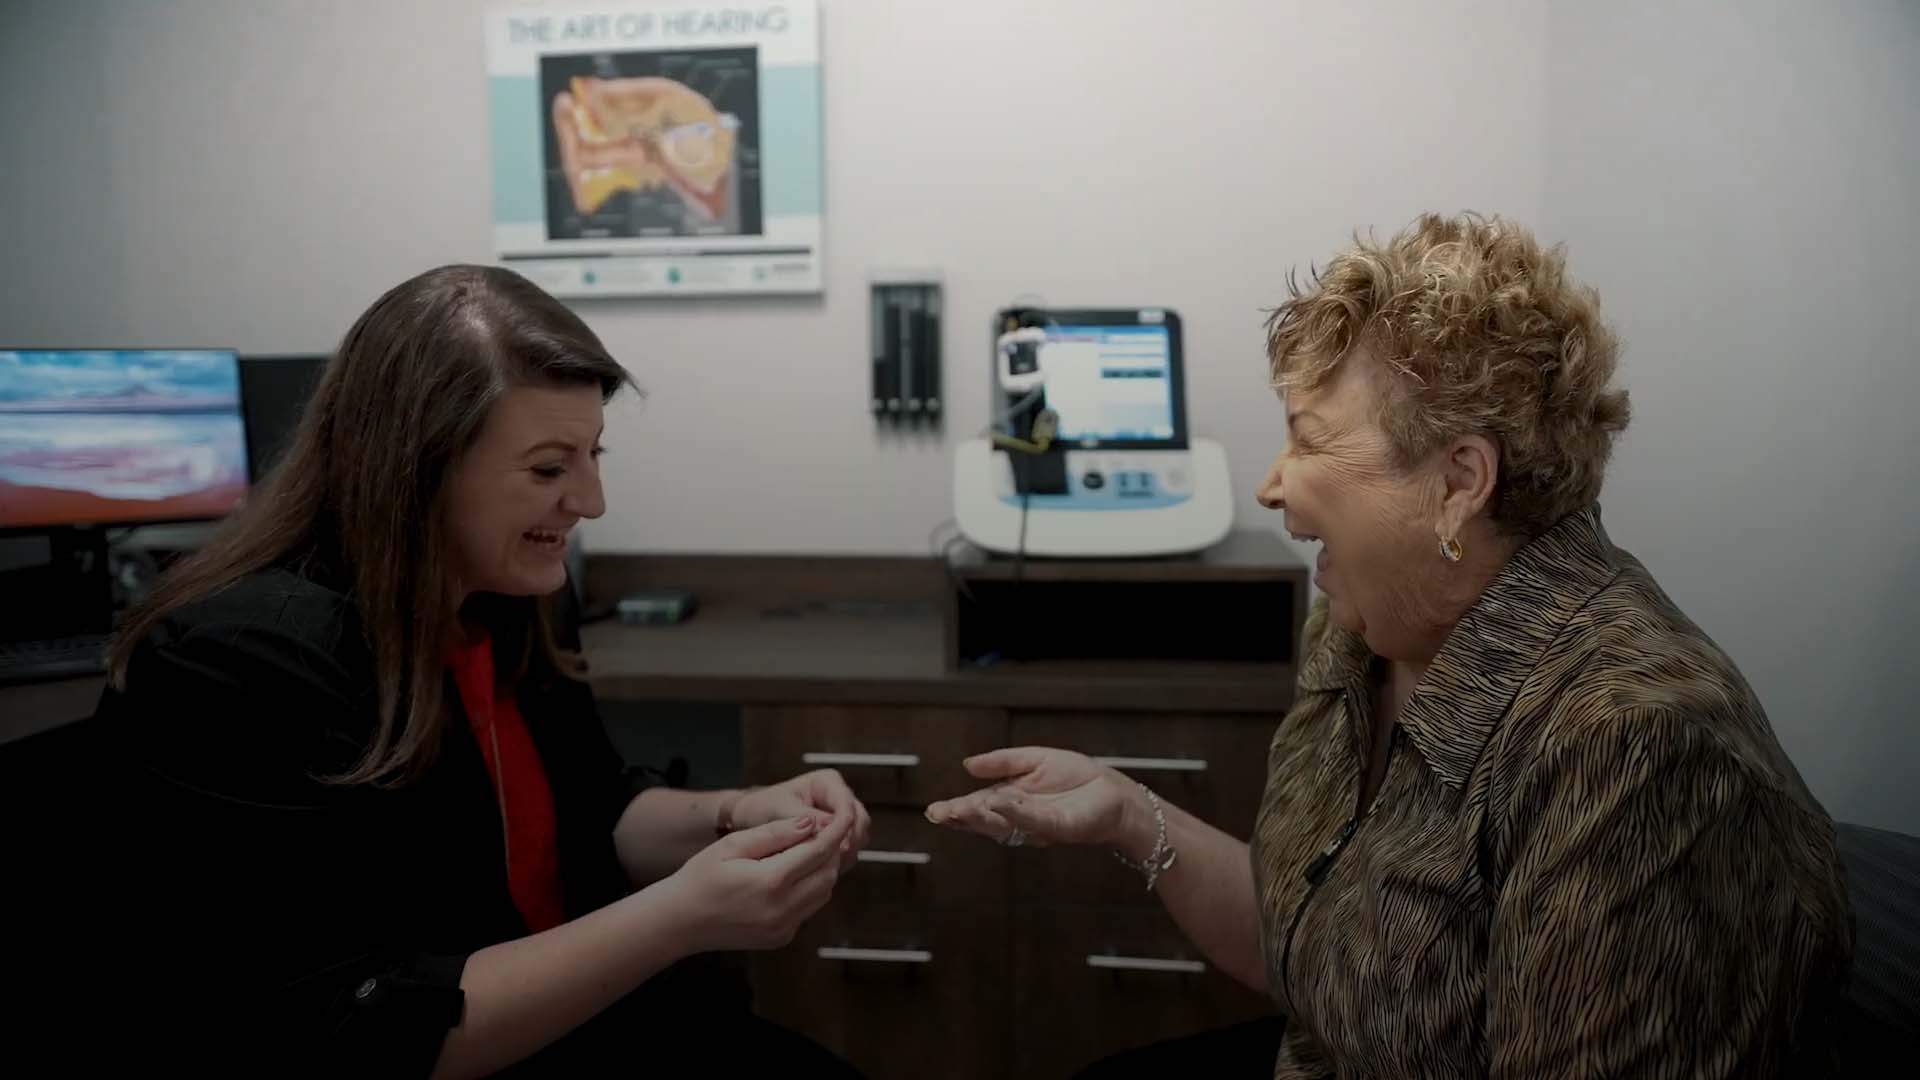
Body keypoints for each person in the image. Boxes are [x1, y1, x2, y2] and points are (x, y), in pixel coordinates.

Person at [927, 213, 1853, 1077]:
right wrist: (1128, 814)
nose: (1271, 485)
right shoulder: (1361, 624)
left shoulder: (1635, 747)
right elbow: (1315, 957)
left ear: (1459, 482)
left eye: (1310, 441)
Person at [91, 265, 871, 1077]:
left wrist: (738, 814)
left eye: (592, 455)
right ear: (415, 469)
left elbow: (596, 808)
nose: (592, 501)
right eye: (548, 469)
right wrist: (680, 917)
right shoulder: (237, 665)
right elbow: (362, 1027)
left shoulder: (502, 602)